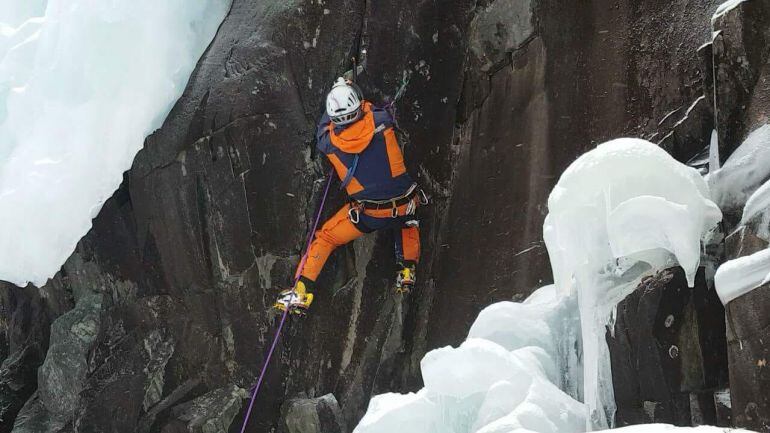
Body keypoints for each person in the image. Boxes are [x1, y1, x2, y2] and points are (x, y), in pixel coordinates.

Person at [274, 77, 425, 313]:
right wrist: (349, 85)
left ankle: (302, 291)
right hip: (406, 203)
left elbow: (323, 125)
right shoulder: (383, 122)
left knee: (326, 238)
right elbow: (371, 106)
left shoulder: (329, 143)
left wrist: (334, 92)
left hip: (369, 214)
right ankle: (407, 269)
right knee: (408, 219)